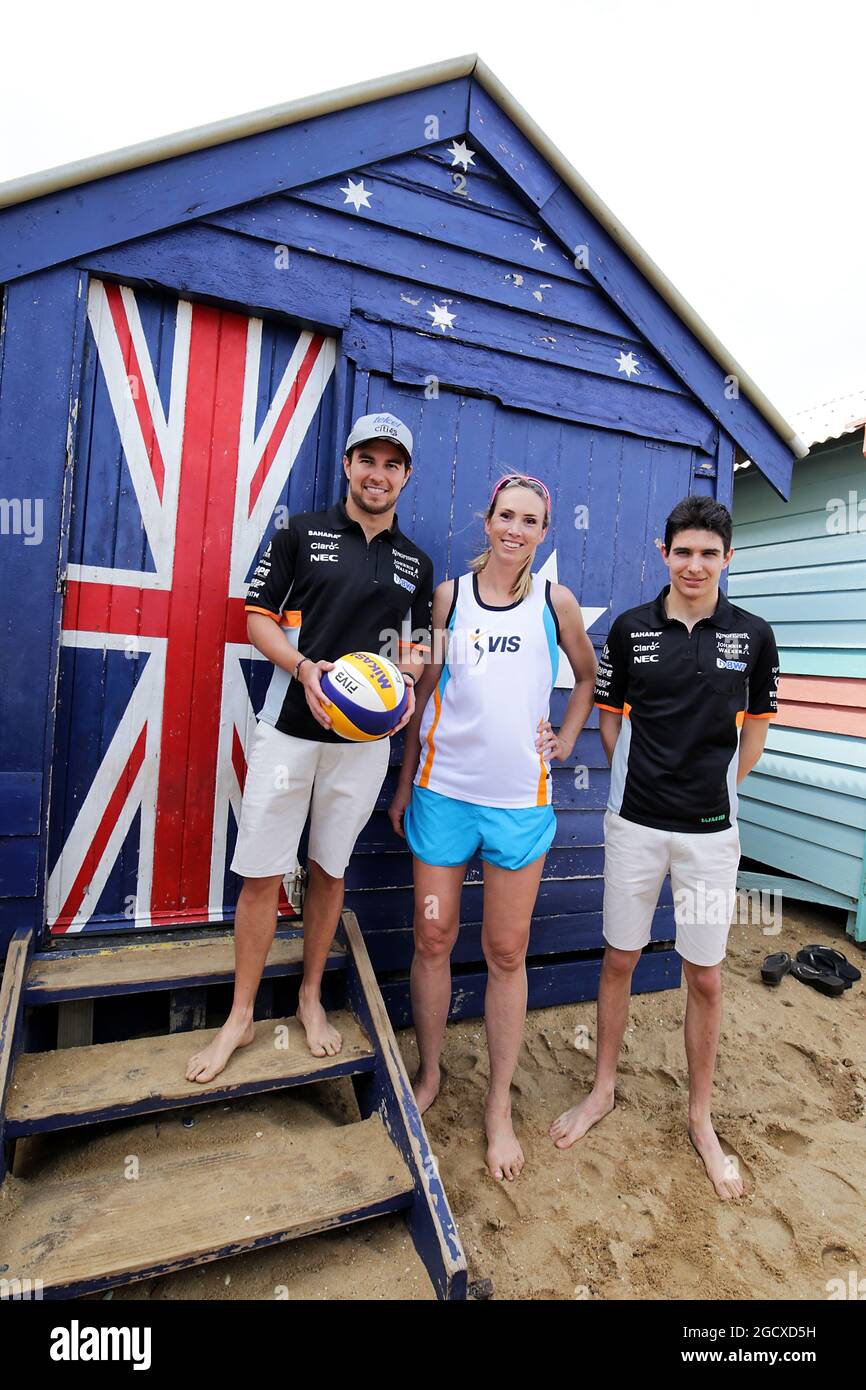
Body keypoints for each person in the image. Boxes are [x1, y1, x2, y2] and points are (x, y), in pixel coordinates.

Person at [186, 413, 433, 1082]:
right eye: (367, 460)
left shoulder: (416, 561)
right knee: (262, 873)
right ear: (348, 465)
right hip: (291, 728)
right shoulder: (301, 532)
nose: (378, 474)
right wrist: (303, 669)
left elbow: (417, 646)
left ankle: (308, 998)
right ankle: (240, 1015)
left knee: (329, 872)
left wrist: (405, 680)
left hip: (363, 745)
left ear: (406, 476)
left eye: (392, 464)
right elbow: (256, 617)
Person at [549, 495, 779, 1200]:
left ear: (727, 558)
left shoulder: (753, 634)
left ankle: (700, 1117)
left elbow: (757, 730)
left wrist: (712, 789)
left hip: (711, 835)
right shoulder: (630, 628)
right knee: (619, 959)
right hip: (635, 826)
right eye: (683, 551)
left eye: (709, 553)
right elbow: (612, 724)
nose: (695, 564)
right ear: (664, 553)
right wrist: (646, 790)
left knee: (704, 976)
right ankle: (604, 1090)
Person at [389, 474, 598, 1182]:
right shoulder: (448, 599)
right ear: (487, 520)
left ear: (544, 532)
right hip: (442, 794)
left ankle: (499, 1107)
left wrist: (568, 737)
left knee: (507, 951)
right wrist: (402, 778)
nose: (515, 528)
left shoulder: (556, 602)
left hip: (519, 801)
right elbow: (420, 693)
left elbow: (588, 677)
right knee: (432, 935)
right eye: (505, 515)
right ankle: (430, 1073)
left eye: (530, 520)